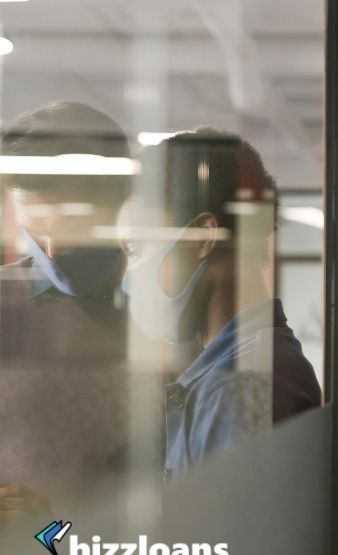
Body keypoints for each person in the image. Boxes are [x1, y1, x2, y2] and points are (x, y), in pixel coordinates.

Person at [124, 127, 321, 477]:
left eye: (139, 248)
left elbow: (216, 533)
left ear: (203, 238)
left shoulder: (238, 390)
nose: (129, 277)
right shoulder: (238, 369)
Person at [0, 102, 147, 529]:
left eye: (66, 233)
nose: (50, 254)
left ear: (120, 202)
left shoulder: (167, 312)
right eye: (33, 232)